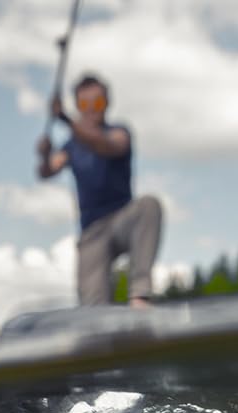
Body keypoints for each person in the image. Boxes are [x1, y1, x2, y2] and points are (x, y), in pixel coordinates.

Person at [36, 74, 163, 308]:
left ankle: (140, 296)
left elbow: (106, 145)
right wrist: (44, 154)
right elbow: (46, 172)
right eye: (85, 104)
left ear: (107, 103)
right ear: (78, 106)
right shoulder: (70, 147)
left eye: (98, 102)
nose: (92, 109)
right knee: (93, 309)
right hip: (92, 232)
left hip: (123, 219)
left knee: (149, 205)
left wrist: (65, 119)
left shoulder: (119, 132)